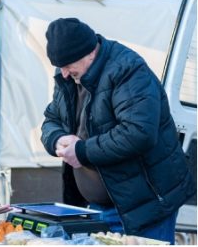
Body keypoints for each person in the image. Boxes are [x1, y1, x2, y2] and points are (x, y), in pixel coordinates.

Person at [41, 18, 195, 244]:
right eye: (60, 66)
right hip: (95, 207)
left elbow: (138, 132)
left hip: (144, 206)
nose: (63, 73)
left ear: (90, 53)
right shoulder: (69, 75)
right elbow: (52, 118)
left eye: (67, 65)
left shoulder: (128, 70)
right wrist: (57, 139)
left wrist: (82, 151)